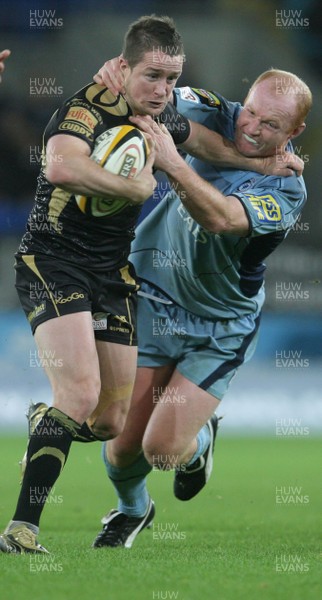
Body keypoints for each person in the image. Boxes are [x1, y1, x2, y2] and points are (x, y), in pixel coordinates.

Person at [89, 61, 312, 548]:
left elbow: (221, 219)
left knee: (163, 450)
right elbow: (151, 107)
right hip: (154, 297)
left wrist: (171, 162)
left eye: (271, 125)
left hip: (219, 324)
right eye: (252, 112)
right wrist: (118, 75)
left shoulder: (288, 188)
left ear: (295, 131)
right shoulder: (214, 110)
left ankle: (200, 442)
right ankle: (132, 510)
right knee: (123, 446)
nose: (252, 127)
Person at [0, 15, 188, 555]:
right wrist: (135, 185)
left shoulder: (163, 118)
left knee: (108, 421)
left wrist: (270, 161)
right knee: (78, 394)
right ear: (123, 67)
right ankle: (21, 529)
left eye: (172, 79)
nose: (163, 90)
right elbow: (60, 167)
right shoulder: (86, 108)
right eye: (153, 76)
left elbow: (214, 141)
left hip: (112, 273)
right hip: (53, 260)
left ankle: (47, 423)